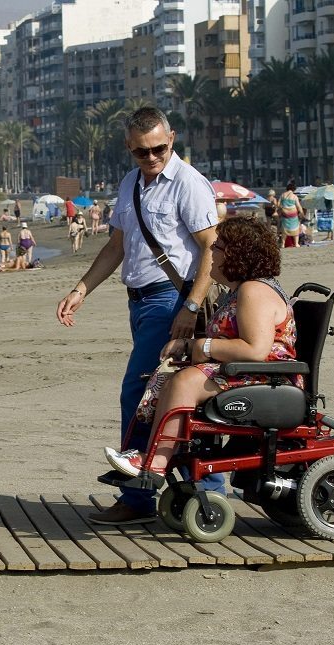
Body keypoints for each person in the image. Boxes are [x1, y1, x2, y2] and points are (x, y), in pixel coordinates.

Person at [55, 106, 224, 526]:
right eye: (140, 152)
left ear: (173, 139)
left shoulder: (189, 184)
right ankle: (203, 489)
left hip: (170, 301)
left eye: (158, 149)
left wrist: (188, 306)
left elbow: (210, 248)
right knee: (171, 397)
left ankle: (138, 497)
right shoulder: (132, 183)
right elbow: (116, 246)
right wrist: (81, 289)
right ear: (129, 149)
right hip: (139, 302)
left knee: (139, 393)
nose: (151, 158)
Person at [107, 216, 302, 476]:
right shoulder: (241, 290)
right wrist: (188, 347)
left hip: (268, 377)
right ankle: (152, 454)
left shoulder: (254, 291)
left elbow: (256, 349)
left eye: (217, 247)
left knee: (186, 381)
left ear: (236, 255)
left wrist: (201, 347)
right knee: (170, 377)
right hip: (249, 373)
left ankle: (155, 462)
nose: (209, 251)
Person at [279, 183, 304, 247]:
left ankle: (282, 244)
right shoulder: (294, 196)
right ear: (294, 189)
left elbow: (278, 204)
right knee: (295, 228)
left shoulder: (283, 195)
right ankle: (296, 243)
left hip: (285, 214)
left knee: (284, 229)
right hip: (293, 214)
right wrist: (301, 213)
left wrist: (282, 209)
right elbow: (298, 206)